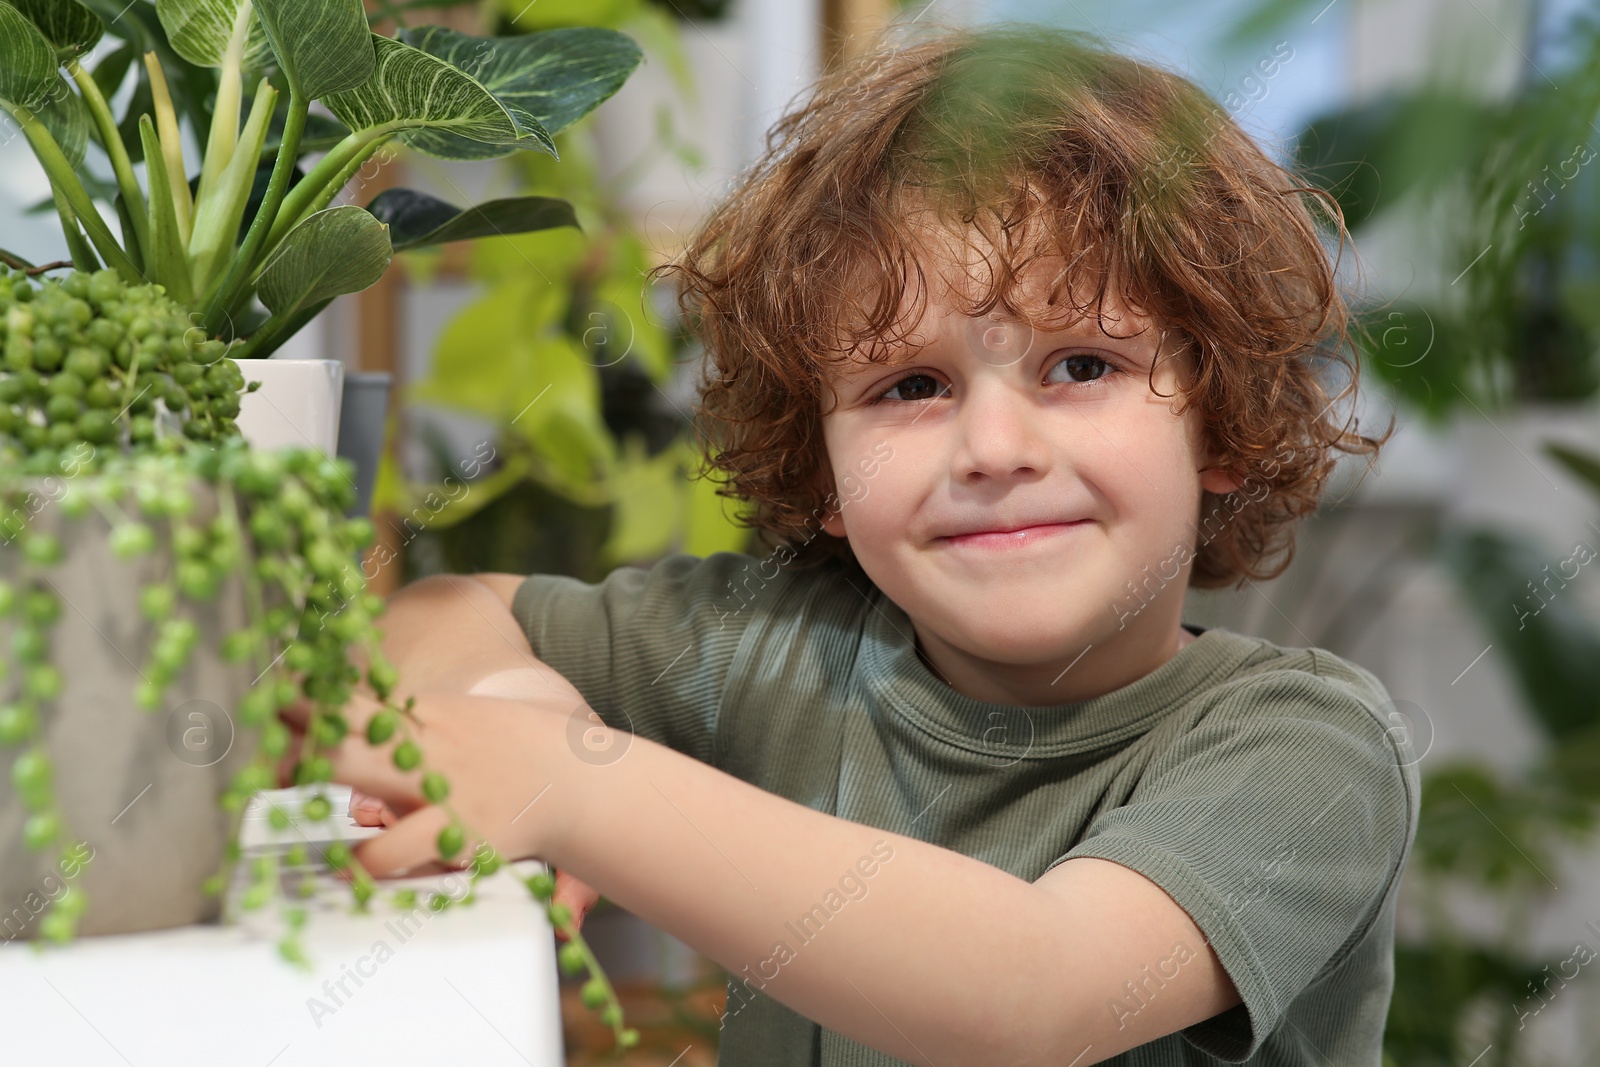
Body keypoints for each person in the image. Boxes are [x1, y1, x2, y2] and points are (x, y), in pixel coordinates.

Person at [283, 22, 1419, 1066]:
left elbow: (1040, 991)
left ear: (1217, 422)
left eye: (1082, 365)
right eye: (910, 384)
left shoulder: (1307, 748)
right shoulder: (783, 646)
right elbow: (425, 617)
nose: (993, 444)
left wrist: (574, 789)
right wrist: (520, 699)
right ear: (823, 472)